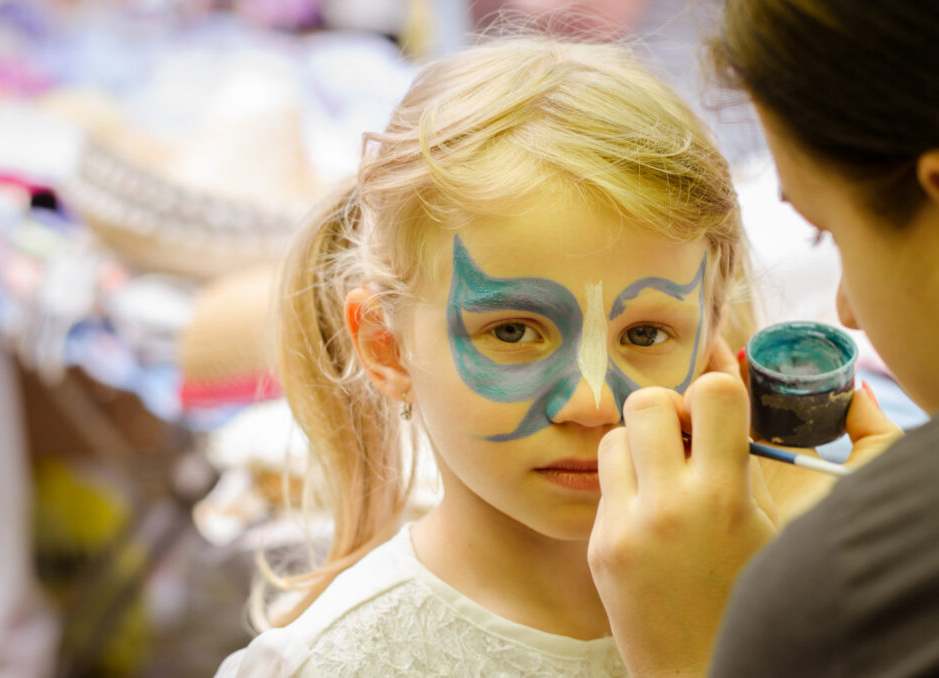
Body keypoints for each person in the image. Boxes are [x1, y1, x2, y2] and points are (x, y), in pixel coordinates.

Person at [214, 34, 808, 677]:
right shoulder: (332, 665)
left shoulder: (804, 597)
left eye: (644, 335)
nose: (592, 401)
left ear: (713, 342)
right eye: (514, 332)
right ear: (387, 347)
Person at [587, 1, 938, 676]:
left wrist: (701, 651)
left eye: (825, 229)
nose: (847, 311)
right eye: (512, 331)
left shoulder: (843, 592)